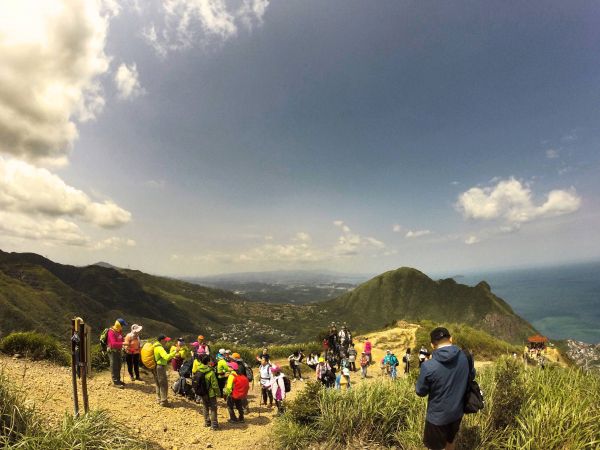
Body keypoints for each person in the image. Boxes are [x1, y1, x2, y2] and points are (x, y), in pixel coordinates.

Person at [416, 327, 473, 450]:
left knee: (434, 447)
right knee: (450, 442)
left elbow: (420, 392)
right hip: (457, 412)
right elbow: (471, 375)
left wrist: (426, 367)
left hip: (437, 417)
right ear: (451, 339)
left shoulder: (428, 366)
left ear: (432, 345)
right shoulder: (466, 356)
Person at [192, 354, 220, 430]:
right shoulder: (210, 372)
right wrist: (218, 393)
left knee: (205, 406)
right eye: (210, 360)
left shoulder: (198, 370)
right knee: (213, 408)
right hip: (211, 393)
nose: (211, 361)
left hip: (202, 393)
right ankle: (214, 425)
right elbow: (214, 385)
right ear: (208, 362)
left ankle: (207, 422)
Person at [153, 335, 177, 407]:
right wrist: (175, 352)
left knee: (158, 383)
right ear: (161, 340)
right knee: (163, 384)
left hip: (155, 366)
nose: (166, 341)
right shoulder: (160, 348)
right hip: (160, 367)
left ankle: (158, 399)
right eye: (165, 340)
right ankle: (164, 401)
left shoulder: (155, 346)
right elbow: (166, 357)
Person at [107, 318, 127, 388]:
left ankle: (118, 380)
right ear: (119, 325)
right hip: (112, 351)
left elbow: (121, 339)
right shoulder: (111, 332)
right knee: (114, 366)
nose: (123, 327)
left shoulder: (119, 331)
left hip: (118, 350)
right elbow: (113, 344)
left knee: (119, 365)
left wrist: (123, 344)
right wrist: (123, 343)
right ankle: (115, 382)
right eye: (122, 325)